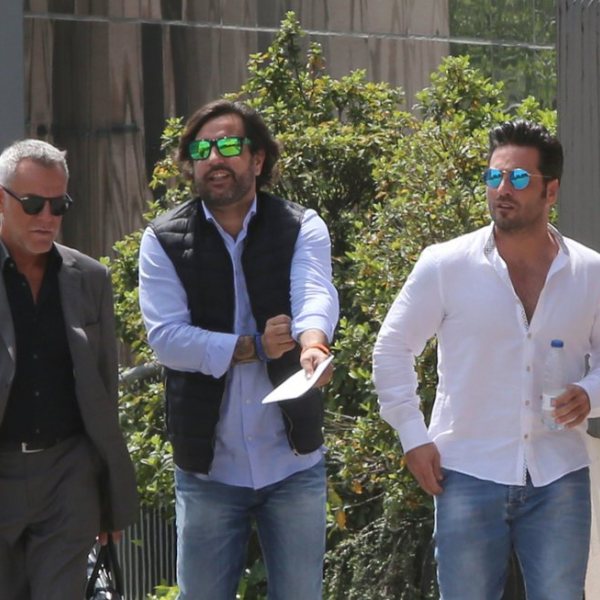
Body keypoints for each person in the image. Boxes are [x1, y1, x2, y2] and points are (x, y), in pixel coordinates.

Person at [373, 120, 600, 599]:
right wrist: (413, 436)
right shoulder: (446, 264)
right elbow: (392, 347)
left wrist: (590, 393)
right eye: (494, 176)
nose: (502, 189)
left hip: (558, 473)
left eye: (518, 178)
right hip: (467, 472)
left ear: (551, 190)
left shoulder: (589, 272)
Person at [138, 99, 338, 600]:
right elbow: (167, 339)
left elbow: (313, 292)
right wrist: (252, 347)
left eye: (228, 145)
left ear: (258, 158)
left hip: (292, 463)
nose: (214, 159)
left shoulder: (300, 225)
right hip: (209, 469)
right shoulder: (162, 239)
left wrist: (313, 345)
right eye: (201, 150)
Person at [0, 139, 138, 599]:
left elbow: (104, 390)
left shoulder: (90, 277)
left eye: (58, 205)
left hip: (67, 475)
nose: (47, 217)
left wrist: (109, 498)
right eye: (33, 204)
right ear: (1, 199)